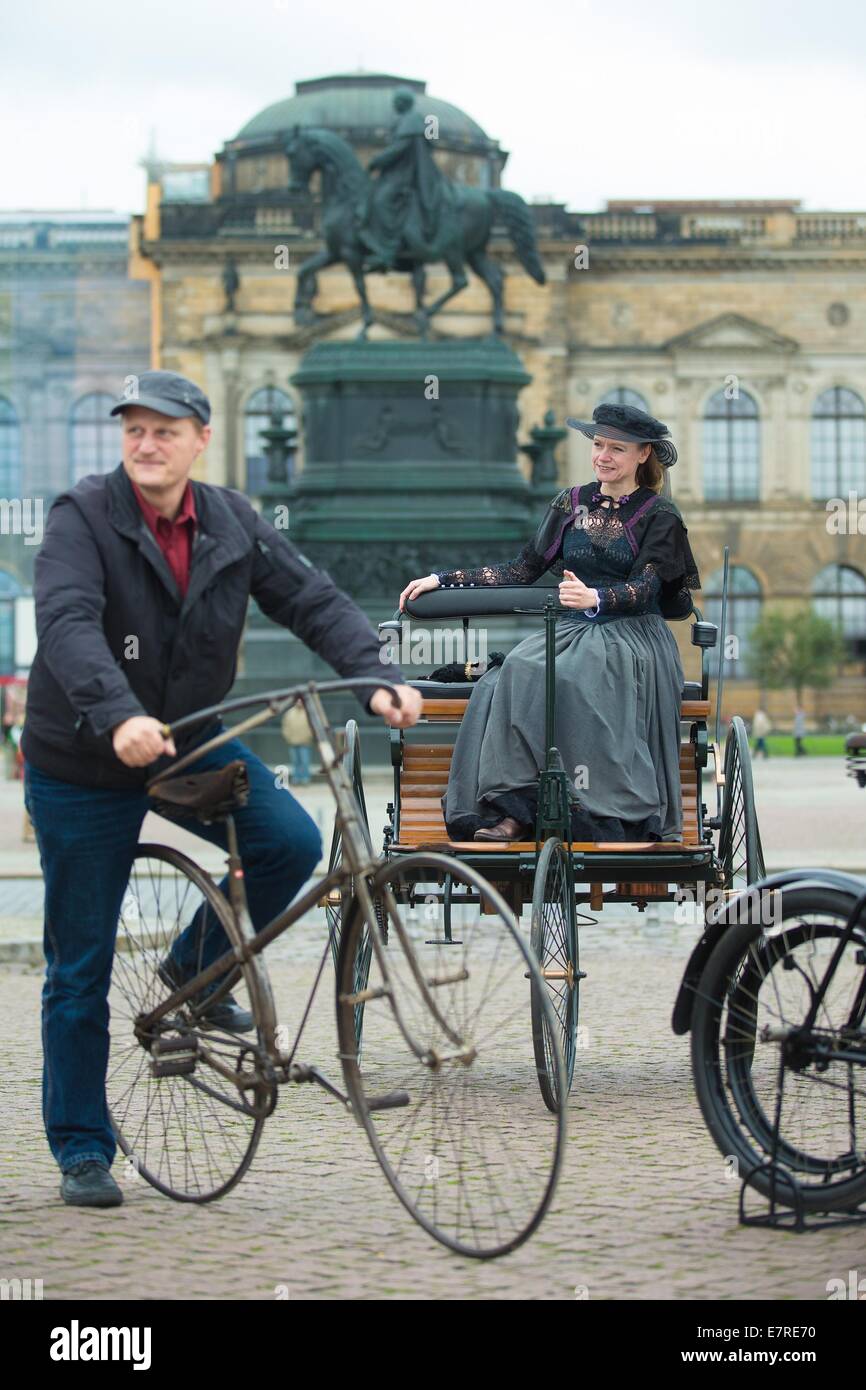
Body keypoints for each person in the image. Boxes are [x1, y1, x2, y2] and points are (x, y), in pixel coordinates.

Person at [21, 370, 422, 1209]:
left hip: (188, 739)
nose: (146, 442)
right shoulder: (81, 517)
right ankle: (84, 1147)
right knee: (81, 963)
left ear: (201, 438)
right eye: (133, 428)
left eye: (164, 429)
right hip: (89, 758)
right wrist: (117, 711)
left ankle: (193, 980)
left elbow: (312, 602)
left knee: (288, 844)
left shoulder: (234, 521)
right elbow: (64, 622)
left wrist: (373, 677)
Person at [400, 403, 701, 842]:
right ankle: (516, 808)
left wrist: (596, 596)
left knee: (555, 675)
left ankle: (599, 811)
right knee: (508, 676)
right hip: (573, 630)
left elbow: (648, 587)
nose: (603, 456)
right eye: (598, 445)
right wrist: (441, 579)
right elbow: (522, 569)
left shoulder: (660, 515)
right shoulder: (570, 503)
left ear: (643, 455)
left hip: (632, 634)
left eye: (617, 448)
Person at [281, 699, 314, 785]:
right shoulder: (289, 713)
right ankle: (297, 779)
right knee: (295, 762)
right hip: (293, 742)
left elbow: (312, 727)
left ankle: (305, 779)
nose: (299, 703)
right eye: (298, 701)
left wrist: (309, 736)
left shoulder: (308, 713)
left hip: (305, 742)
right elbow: (285, 726)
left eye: (301, 701)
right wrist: (288, 737)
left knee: (305, 761)